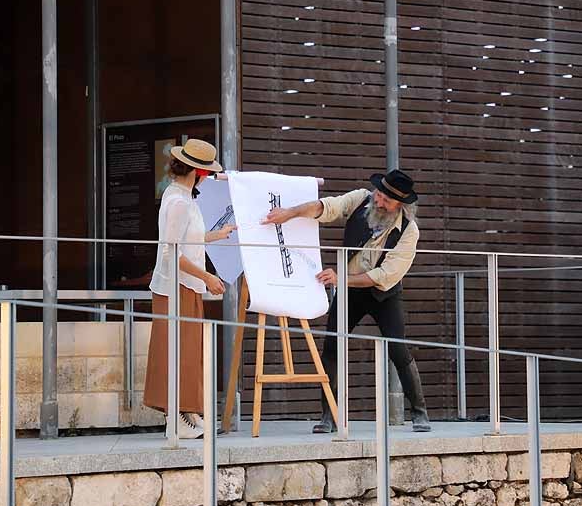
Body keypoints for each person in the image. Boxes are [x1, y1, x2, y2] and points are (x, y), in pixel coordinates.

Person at [263, 169, 431, 433]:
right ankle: (329, 414)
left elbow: (385, 275)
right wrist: (291, 213)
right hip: (349, 288)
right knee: (332, 346)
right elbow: (328, 207)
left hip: (383, 292)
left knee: (398, 348)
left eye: (387, 200)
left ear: (401, 205)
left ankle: (420, 412)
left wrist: (342, 278)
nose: (379, 201)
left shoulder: (409, 232)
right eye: (379, 194)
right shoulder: (361, 199)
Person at [143, 139, 235, 439]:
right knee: (179, 351)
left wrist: (216, 235)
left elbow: (184, 241)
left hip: (182, 286)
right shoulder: (180, 202)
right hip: (177, 287)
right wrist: (207, 277)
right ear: (198, 172)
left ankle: (187, 415)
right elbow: (171, 251)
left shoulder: (179, 195)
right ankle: (179, 417)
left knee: (186, 351)